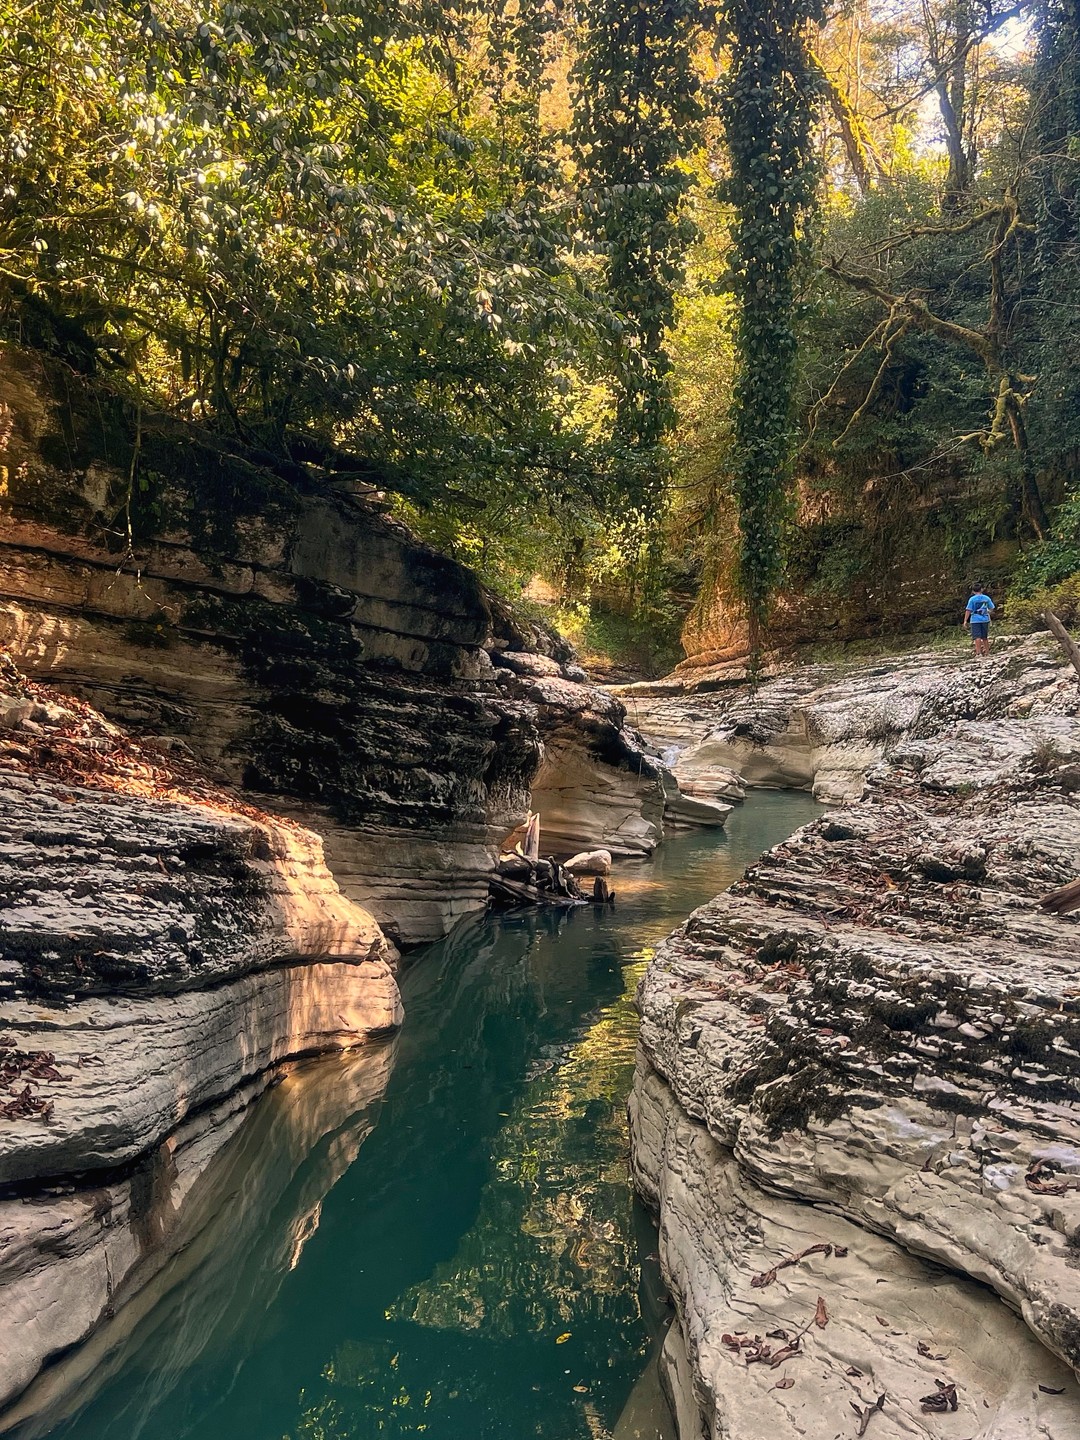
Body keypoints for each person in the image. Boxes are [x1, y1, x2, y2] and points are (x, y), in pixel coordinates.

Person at [963, 586, 995, 656]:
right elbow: (991, 608)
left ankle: (978, 653)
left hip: (975, 620)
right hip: (985, 619)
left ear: (973, 591)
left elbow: (968, 610)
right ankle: (987, 652)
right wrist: (987, 612)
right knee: (984, 637)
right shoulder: (986, 598)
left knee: (977, 637)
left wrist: (965, 621)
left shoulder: (972, 599)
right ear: (981, 589)